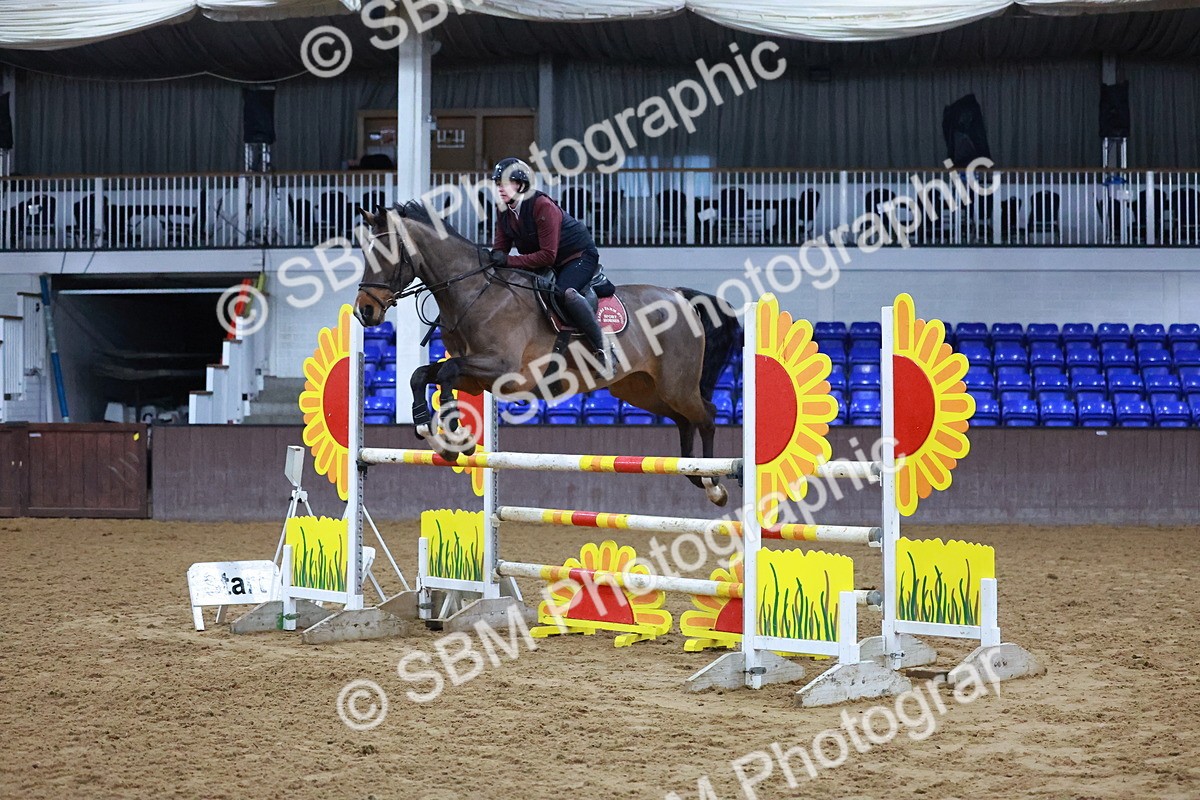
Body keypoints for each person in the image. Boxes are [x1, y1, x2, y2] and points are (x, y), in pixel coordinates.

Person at [487, 157, 608, 368]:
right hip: (549, 262)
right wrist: (488, 260)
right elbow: (500, 249)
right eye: (498, 184)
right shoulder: (503, 209)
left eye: (505, 183)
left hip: (578, 256)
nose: (500, 188)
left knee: (566, 293)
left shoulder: (541, 205)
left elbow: (547, 256)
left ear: (521, 185)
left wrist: (507, 260)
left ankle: (603, 348)